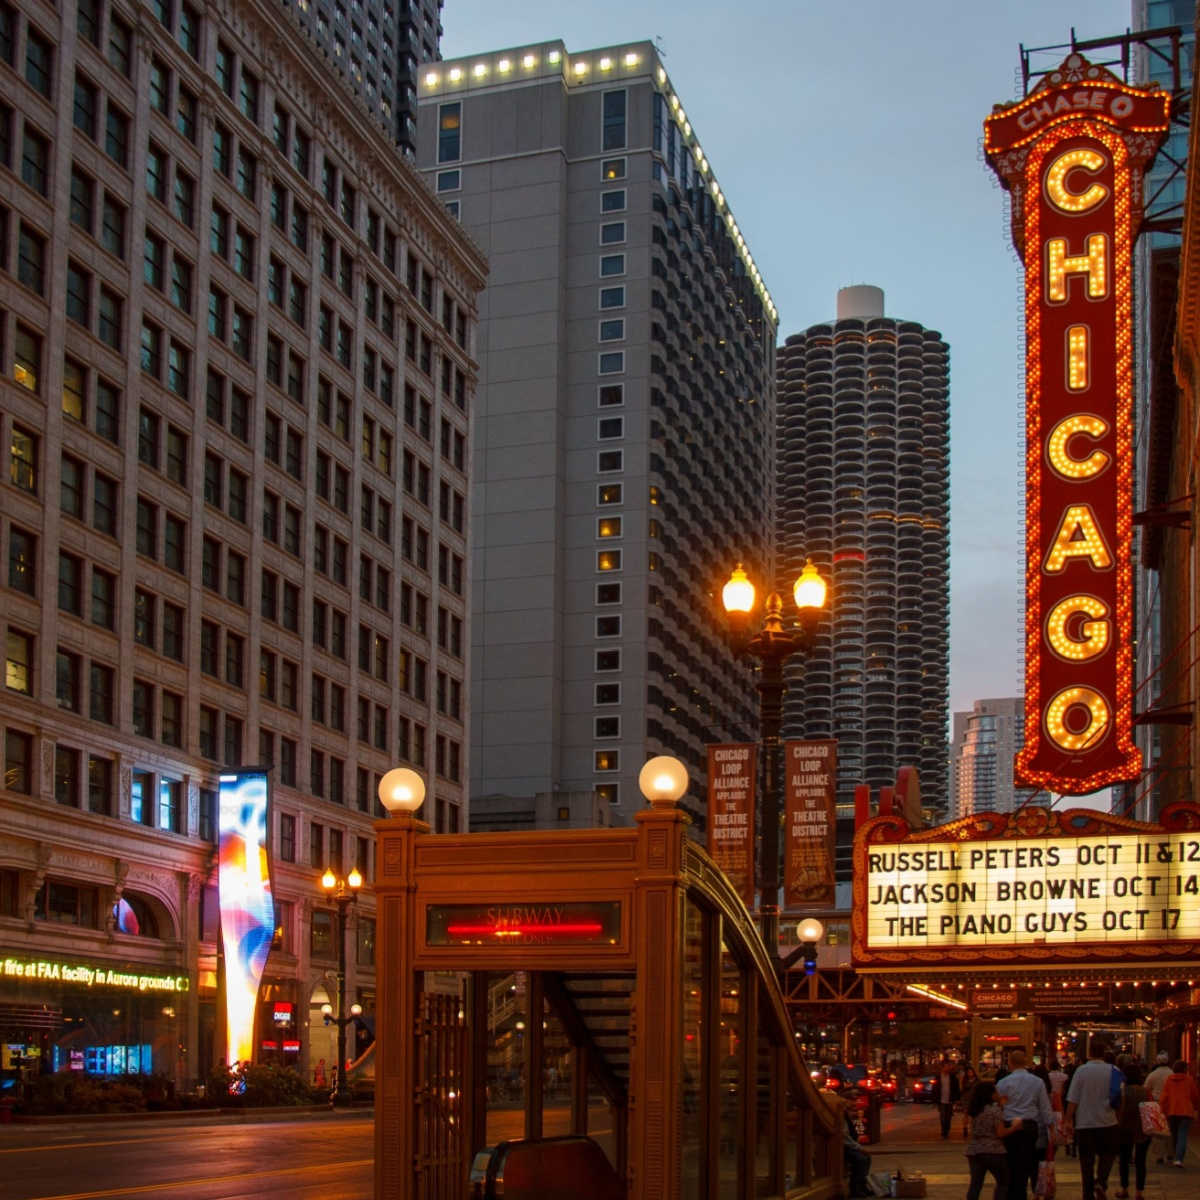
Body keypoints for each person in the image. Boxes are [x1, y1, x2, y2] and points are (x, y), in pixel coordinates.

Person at [1065, 1039, 1120, 1200]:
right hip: (1108, 1121)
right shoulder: (1114, 1070)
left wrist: (1068, 1120)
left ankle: (1087, 1193)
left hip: (1085, 1123)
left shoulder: (1081, 1071)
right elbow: (1119, 1097)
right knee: (1108, 1155)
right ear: (1104, 1054)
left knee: (1086, 1161)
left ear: (1090, 1054)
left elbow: (1073, 1098)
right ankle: (1101, 1182)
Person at [996, 1049, 1053, 1200]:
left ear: (1010, 1063)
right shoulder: (1037, 1082)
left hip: (1010, 1127)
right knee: (1030, 1164)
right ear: (1026, 1063)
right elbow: (1045, 1108)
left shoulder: (1003, 1083)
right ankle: (1028, 1191)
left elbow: (999, 1107)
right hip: (1030, 1127)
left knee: (1012, 1165)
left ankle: (1015, 1194)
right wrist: (1051, 1129)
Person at [966, 1079, 1024, 1200]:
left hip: (975, 1150)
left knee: (976, 1184)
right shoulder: (994, 1111)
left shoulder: (975, 1110)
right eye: (996, 1092)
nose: (998, 1094)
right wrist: (1015, 1127)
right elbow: (1000, 1133)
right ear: (990, 1095)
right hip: (994, 1151)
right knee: (1003, 1181)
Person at [1114, 1062, 1150, 1200]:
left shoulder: (1123, 1091)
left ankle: (1124, 1189)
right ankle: (1139, 1192)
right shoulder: (1145, 1091)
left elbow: (1120, 1111)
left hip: (1126, 1128)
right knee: (1141, 1161)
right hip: (1143, 1128)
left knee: (1124, 1160)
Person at [1159, 1058, 1200, 1168]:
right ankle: (1178, 1159)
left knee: (1173, 1134)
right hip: (1186, 1111)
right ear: (1184, 1069)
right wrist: (1196, 1107)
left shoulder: (1169, 1080)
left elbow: (1164, 1096)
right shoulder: (1189, 1080)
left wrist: (1161, 1109)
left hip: (1172, 1111)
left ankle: (1172, 1154)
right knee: (1182, 1135)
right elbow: (1195, 1096)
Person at [1144, 1052, 1173, 1165]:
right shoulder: (1171, 1073)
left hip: (1156, 1102)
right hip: (1169, 1103)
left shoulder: (1153, 1074)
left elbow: (1146, 1088)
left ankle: (1160, 1155)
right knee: (1169, 1129)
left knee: (1158, 1130)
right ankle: (1170, 1153)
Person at [938, 1059, 962, 1139]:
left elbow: (956, 1088)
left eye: (948, 1067)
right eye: (945, 1067)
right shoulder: (938, 1077)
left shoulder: (952, 1077)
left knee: (948, 1116)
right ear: (942, 1068)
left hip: (950, 1099)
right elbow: (935, 1088)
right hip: (941, 1099)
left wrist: (957, 1098)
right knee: (942, 1116)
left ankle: (946, 1131)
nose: (947, 1068)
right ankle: (943, 1131)